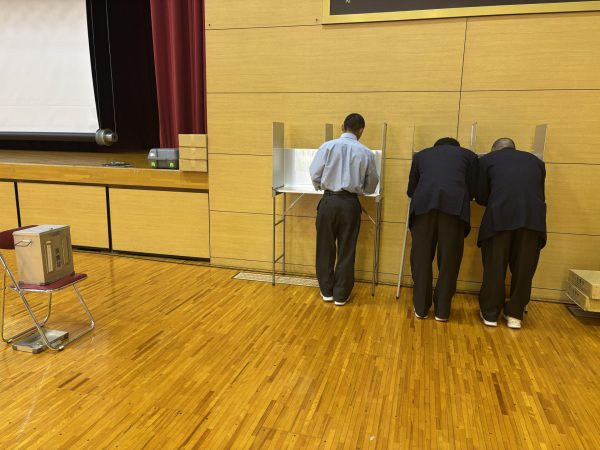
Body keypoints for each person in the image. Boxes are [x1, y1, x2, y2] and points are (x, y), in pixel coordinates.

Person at [476, 138, 546, 329]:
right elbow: (539, 193)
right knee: (524, 270)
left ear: (494, 150)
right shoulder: (536, 162)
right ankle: (515, 315)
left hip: (500, 218)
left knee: (495, 267)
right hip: (532, 220)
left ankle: (490, 313)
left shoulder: (487, 160)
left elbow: (481, 196)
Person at [309, 113, 379, 306]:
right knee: (347, 249)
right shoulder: (366, 153)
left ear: (342, 126)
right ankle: (341, 294)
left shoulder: (327, 146)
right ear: (361, 130)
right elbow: (372, 183)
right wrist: (362, 190)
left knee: (325, 247)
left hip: (328, 201)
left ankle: (326, 291)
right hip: (350, 204)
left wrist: (320, 186)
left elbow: (314, 173)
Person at [407, 137, 478, 321]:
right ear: (457, 147)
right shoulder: (469, 156)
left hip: (423, 209)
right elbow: (473, 190)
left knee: (421, 258)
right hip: (454, 210)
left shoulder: (421, 155)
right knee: (449, 261)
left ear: (435, 146)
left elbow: (411, 190)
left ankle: (421, 308)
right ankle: (442, 311)